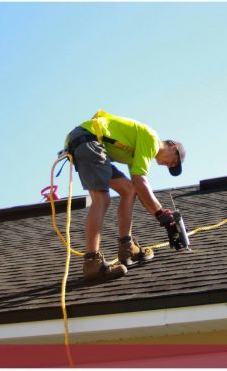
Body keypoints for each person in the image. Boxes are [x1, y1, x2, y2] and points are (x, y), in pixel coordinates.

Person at [64, 110, 186, 282]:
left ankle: (127, 247)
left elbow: (138, 186)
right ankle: (92, 263)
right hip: (88, 140)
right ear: (173, 147)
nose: (168, 165)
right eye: (173, 161)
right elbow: (141, 181)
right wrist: (161, 214)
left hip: (88, 143)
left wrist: (161, 215)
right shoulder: (151, 139)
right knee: (101, 198)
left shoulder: (137, 152)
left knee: (128, 190)